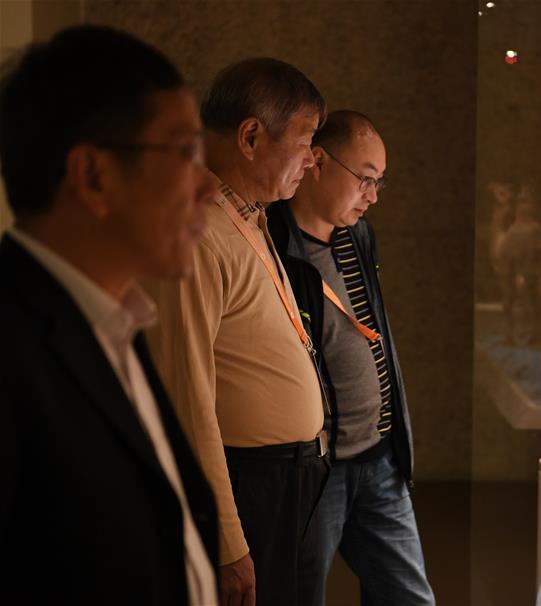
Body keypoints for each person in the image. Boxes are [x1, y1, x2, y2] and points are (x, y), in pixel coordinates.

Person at [0, 25, 218, 604]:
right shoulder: (11, 346)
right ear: (94, 175)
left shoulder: (115, 321)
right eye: (186, 152)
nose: (209, 187)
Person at [143, 58, 329, 606]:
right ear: (251, 137)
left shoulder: (244, 213)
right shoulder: (196, 230)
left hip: (284, 478)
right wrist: (224, 538)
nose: (312, 159)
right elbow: (187, 398)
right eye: (305, 141)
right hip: (250, 483)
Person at [268, 110, 436, 605]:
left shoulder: (358, 235)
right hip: (318, 471)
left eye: (379, 181)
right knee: (300, 596)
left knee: (410, 598)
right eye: (365, 178)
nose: (373, 195)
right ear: (317, 162)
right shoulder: (272, 242)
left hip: (380, 458)